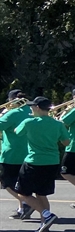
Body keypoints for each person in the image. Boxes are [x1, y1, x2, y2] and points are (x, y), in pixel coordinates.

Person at [13, 97, 70, 232]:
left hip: (34, 161)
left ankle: (46, 214)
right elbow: (66, 142)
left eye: (32, 107)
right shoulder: (58, 124)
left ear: (38, 107)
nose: (31, 109)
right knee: (42, 194)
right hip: (52, 162)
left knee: (23, 194)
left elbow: (16, 131)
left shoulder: (29, 122)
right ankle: (44, 226)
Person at [1, 89, 32, 219]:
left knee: (7, 183)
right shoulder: (32, 111)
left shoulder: (11, 113)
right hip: (29, 153)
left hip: (12, 153)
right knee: (21, 183)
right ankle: (22, 208)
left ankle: (27, 203)